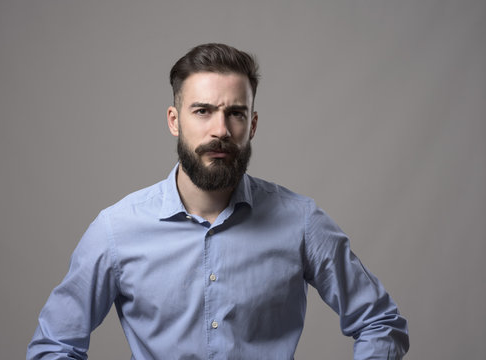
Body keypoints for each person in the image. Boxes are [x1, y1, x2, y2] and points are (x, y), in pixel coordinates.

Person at [27, 43, 409, 360]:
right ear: (174, 121)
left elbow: (380, 322)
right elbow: (54, 346)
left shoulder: (301, 222)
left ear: (252, 125)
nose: (220, 130)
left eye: (235, 113)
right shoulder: (116, 230)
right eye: (203, 111)